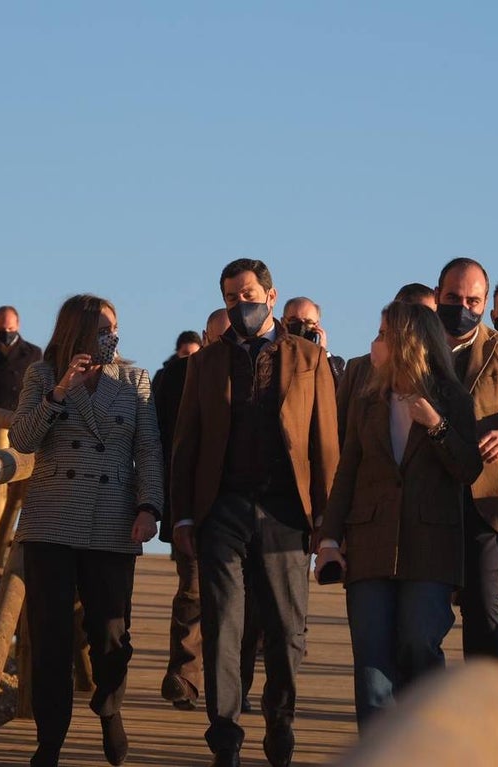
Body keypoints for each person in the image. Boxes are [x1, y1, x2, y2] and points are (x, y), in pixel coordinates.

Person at [171, 258, 339, 767]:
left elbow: (326, 444)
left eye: (247, 294)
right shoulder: (204, 363)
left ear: (270, 295)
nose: (239, 305)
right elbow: (187, 443)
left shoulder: (308, 358)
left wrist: (328, 525)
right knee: (225, 625)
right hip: (223, 509)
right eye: (229, 298)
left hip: (287, 512)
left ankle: (279, 721)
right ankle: (225, 736)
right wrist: (181, 517)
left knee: (287, 631)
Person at [9, 294, 163, 767]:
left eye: (114, 329)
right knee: (50, 636)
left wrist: (149, 506)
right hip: (52, 520)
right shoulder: (42, 374)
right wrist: (60, 392)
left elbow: (149, 449)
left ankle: (109, 707)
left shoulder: (135, 379)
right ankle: (49, 741)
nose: (110, 338)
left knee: (112, 634)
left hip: (113, 519)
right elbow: (21, 440)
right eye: (102, 329)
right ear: (78, 330)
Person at [315, 301, 482, 729]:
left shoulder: (453, 399)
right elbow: (347, 471)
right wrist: (329, 541)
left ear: (407, 342)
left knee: (418, 647)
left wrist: (438, 425)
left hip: (430, 551)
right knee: (371, 664)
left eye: (383, 333)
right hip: (369, 546)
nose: (374, 341)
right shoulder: (367, 400)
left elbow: (468, 469)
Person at [435, 258, 498, 659]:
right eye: (453, 297)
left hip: (484, 504)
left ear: (485, 302)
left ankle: (481, 716)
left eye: (472, 299)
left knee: (488, 616)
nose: (462, 307)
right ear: (438, 295)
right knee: (419, 626)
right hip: (426, 498)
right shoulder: (417, 348)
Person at [158, 311, 229, 711]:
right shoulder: (173, 379)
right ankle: (184, 677)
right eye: (217, 338)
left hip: (242, 506)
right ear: (205, 338)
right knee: (193, 590)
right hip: (192, 506)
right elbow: (161, 443)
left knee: (240, 603)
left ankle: (230, 682)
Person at [336, 282, 437, 444]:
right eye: (416, 315)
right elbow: (340, 430)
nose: (426, 323)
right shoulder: (358, 369)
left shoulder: (439, 373)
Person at [281, 296, 347, 383]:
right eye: (294, 320)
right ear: (283, 322)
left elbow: (340, 389)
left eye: (308, 322)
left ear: (317, 326)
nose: (301, 326)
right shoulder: (270, 354)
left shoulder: (334, 362)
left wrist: (322, 355)